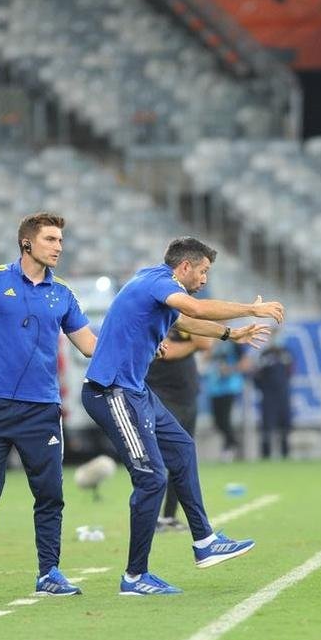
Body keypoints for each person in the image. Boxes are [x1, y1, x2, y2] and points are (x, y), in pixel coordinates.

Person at [81, 237, 282, 596]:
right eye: (203, 271)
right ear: (184, 267)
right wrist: (253, 310)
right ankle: (134, 576)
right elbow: (198, 310)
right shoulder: (162, 283)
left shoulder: (154, 283)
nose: (205, 278)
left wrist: (230, 333)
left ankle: (204, 540)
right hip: (111, 390)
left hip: (134, 391)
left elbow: (188, 319)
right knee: (152, 478)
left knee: (183, 447)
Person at [0, 212, 97, 601]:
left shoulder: (63, 294)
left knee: (49, 494)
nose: (59, 247)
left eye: (60, 240)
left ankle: (49, 573)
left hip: (41, 410)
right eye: (51, 239)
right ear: (27, 243)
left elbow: (90, 345)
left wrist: (135, 350)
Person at [145, 324, 211, 532]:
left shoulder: (183, 317)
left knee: (183, 457)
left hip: (187, 397)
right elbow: (168, 351)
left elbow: (206, 343)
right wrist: (192, 344)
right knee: (158, 459)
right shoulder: (155, 319)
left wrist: (192, 342)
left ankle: (169, 516)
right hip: (162, 397)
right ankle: (151, 517)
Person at [254, 331, 295, 459]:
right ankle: (266, 455)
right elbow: (257, 375)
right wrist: (263, 388)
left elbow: (290, 372)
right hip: (268, 395)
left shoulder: (286, 353)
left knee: (285, 424)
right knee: (267, 425)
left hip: (283, 394)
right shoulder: (265, 355)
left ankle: (285, 453)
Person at [206, 340, 247, 461]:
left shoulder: (233, 342)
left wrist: (230, 369)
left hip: (230, 387)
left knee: (225, 420)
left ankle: (229, 447)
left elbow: (245, 363)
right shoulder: (211, 341)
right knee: (217, 422)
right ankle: (233, 442)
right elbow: (205, 358)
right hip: (214, 387)